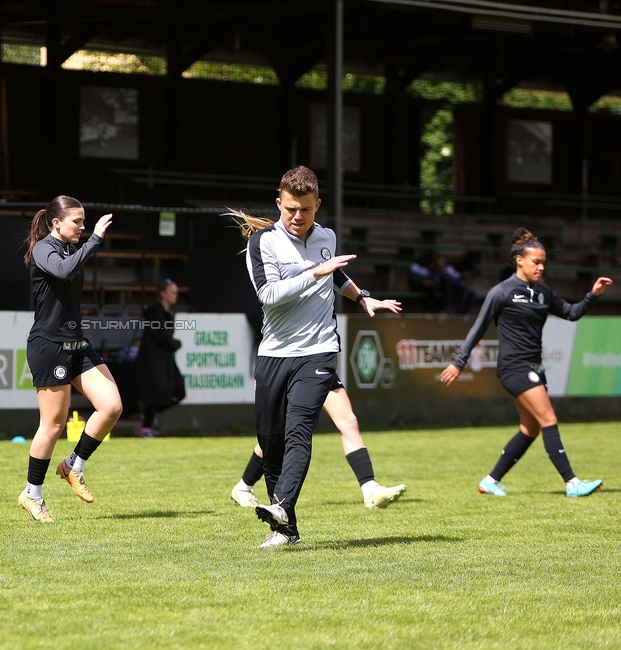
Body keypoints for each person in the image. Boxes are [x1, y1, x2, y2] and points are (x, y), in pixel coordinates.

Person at [233, 166, 401, 548]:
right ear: (279, 203)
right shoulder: (263, 242)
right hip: (274, 353)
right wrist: (316, 271)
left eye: (305, 209)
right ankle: (286, 531)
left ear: (317, 205)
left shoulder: (327, 237)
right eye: (291, 208)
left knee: (299, 430)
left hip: (319, 350)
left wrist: (362, 296)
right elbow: (268, 295)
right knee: (270, 440)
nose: (297, 216)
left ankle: (281, 506)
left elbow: (336, 275)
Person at [441, 228, 611, 498]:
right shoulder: (502, 292)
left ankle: (490, 481)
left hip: (534, 367)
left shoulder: (543, 293)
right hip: (514, 367)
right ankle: (572, 483)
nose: (541, 267)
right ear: (519, 260)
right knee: (549, 419)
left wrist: (593, 295)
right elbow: (478, 328)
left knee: (530, 428)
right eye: (536, 262)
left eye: (543, 262)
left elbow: (571, 313)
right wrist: (459, 362)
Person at [19, 195, 123, 523]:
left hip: (76, 343)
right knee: (52, 425)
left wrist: (87, 241)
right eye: (76, 221)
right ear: (56, 223)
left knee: (112, 406)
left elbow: (70, 265)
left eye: (83, 221)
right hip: (49, 345)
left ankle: (73, 465)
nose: (81, 226)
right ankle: (32, 494)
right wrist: (94, 239)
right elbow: (63, 272)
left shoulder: (68, 247)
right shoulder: (44, 249)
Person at [230, 374, 406, 510]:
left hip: (318, 360)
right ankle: (243, 487)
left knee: (348, 421)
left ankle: (370, 490)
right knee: (279, 436)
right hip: (291, 361)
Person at [135, 278, 186, 438]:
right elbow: (163, 337)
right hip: (153, 361)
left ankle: (152, 416)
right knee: (156, 394)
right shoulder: (156, 313)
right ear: (162, 294)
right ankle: (146, 428)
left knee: (179, 391)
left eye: (177, 293)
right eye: (172, 292)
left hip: (165, 359)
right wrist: (176, 343)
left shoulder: (169, 311)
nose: (175, 296)